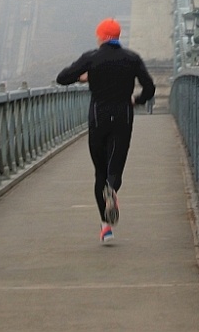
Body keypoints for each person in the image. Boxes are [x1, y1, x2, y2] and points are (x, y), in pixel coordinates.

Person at [56, 18, 155, 243]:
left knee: (99, 171)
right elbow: (149, 88)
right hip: (123, 115)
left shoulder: (91, 58)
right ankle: (113, 188)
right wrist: (136, 100)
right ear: (118, 36)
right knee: (115, 165)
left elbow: (62, 79)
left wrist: (85, 77)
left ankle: (105, 227)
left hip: (98, 117)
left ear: (100, 36)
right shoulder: (132, 58)